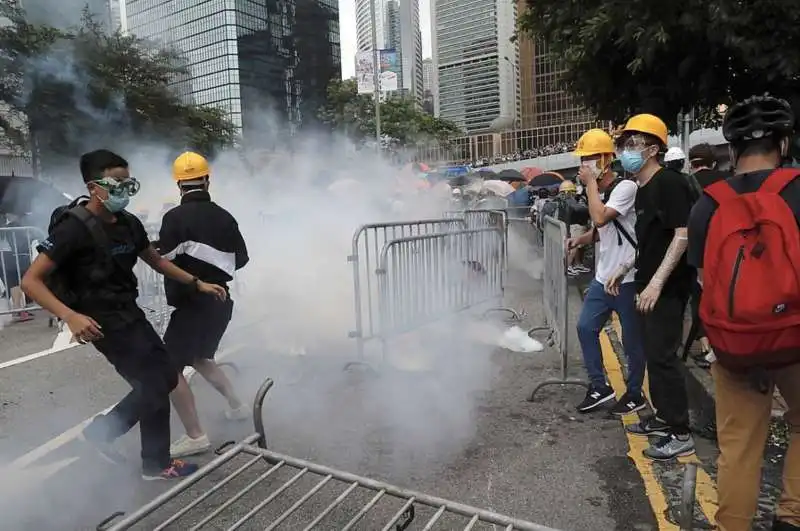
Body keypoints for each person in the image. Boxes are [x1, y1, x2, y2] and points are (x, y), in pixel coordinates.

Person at [21, 149, 227, 480]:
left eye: (128, 182)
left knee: (163, 376)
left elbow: (156, 261)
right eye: (116, 183)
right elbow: (31, 280)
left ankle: (154, 463)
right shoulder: (73, 228)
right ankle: (107, 435)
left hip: (129, 311)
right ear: (93, 186)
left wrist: (196, 282)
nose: (123, 190)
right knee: (157, 380)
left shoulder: (129, 224)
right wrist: (70, 316)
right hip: (99, 320)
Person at [687, 95, 800, 531]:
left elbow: (705, 283)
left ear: (730, 151)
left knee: (738, 444)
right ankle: (790, 517)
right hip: (794, 336)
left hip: (734, 343)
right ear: (784, 144)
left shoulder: (707, 204)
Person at [606, 114, 696, 460]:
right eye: (624, 144)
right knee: (652, 354)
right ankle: (662, 417)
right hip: (646, 282)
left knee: (663, 356)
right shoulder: (643, 189)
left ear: (654, 149)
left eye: (634, 144)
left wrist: (657, 283)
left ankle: (680, 430)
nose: (626, 151)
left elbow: (683, 233)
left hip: (667, 288)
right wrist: (625, 267)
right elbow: (648, 242)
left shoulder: (669, 182)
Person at [158, 152, 250, 458]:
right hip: (221, 301)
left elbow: (163, 262)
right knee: (200, 358)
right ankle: (238, 406)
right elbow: (242, 259)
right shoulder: (225, 216)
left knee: (169, 367)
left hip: (192, 304)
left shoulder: (173, 218)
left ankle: (195, 435)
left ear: (179, 185)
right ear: (207, 179)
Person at [569, 129, 646, 414]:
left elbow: (601, 217)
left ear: (604, 160)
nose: (583, 165)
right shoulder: (600, 193)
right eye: (582, 159)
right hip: (604, 277)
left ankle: (635, 393)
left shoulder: (626, 188)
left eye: (588, 159)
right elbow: (601, 230)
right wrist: (580, 239)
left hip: (627, 278)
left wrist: (589, 184)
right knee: (586, 327)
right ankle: (599, 387)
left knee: (632, 340)